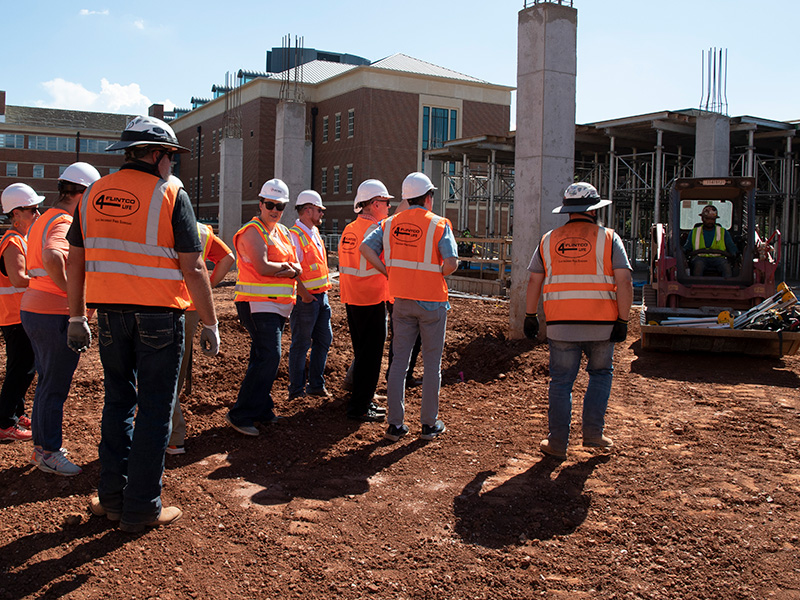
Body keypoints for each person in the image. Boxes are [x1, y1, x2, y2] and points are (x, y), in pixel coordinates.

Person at [66, 116, 219, 531]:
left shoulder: (93, 192)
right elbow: (194, 266)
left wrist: (77, 315)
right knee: (154, 412)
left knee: (118, 405)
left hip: (111, 317)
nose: (172, 164)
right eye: (170, 156)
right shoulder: (171, 192)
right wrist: (209, 322)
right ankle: (142, 509)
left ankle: (112, 501)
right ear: (156, 155)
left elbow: (75, 260)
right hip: (159, 318)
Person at [524, 182, 633, 460]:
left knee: (561, 382)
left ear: (567, 211)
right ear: (594, 211)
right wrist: (623, 319)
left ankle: (557, 443)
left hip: (561, 325)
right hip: (602, 324)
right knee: (600, 375)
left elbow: (534, 279)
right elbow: (624, 280)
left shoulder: (548, 239)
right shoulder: (609, 239)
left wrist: (530, 315)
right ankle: (593, 435)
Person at [361, 172, 459, 442]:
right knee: (431, 366)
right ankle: (428, 425)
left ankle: (395, 425)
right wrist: (436, 273)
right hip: (432, 303)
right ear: (428, 197)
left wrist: (388, 272)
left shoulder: (389, 223)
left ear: (406, 197)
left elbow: (365, 249)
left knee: (398, 364)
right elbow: (451, 263)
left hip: (401, 301)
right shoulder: (439, 224)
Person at [21, 163, 100, 474]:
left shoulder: (46, 218)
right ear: (81, 194)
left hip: (35, 309)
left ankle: (42, 448)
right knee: (54, 386)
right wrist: (75, 302)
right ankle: (50, 452)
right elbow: (54, 256)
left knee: (46, 382)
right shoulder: (65, 220)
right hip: (54, 313)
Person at [226, 178, 300, 437]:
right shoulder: (252, 231)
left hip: (276, 306)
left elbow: (293, 264)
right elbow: (262, 266)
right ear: (260, 203)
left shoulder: (282, 232)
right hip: (256, 304)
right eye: (270, 204)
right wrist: (288, 270)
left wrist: (288, 270)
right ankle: (241, 413)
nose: (275, 210)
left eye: (280, 206)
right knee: (270, 356)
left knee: (262, 356)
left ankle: (261, 406)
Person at [167, 223, 234, 455]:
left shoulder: (158, 221)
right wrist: (204, 288)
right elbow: (227, 258)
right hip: (190, 306)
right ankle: (172, 435)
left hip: (162, 303)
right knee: (176, 368)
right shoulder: (202, 231)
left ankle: (173, 436)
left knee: (164, 374)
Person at [339, 180, 393, 422]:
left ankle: (362, 399)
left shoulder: (350, 228)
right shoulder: (375, 231)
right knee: (370, 357)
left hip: (353, 298)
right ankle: (360, 406)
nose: (389, 207)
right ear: (374, 204)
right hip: (371, 298)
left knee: (362, 353)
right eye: (386, 202)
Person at [0, 184, 42, 441]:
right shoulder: (13, 241)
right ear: (16, 213)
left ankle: (16, 412)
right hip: (16, 316)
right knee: (22, 369)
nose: (37, 214)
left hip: (17, 314)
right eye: (32, 210)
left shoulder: (19, 239)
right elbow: (18, 279)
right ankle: (5, 423)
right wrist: (45, 276)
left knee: (22, 366)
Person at [287, 190, 333, 400]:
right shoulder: (295, 235)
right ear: (307, 210)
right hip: (306, 300)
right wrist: (304, 295)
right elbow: (291, 270)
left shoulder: (313, 233)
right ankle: (296, 391)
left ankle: (315, 385)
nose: (321, 214)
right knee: (301, 343)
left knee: (324, 339)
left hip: (321, 297)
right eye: (318, 210)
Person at [683, 204, 737, 277]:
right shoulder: (694, 232)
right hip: (700, 258)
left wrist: (735, 253)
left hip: (719, 258)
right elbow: (687, 247)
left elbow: (731, 246)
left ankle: (728, 287)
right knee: (698, 267)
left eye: (713, 219)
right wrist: (682, 252)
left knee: (726, 268)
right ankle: (697, 287)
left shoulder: (723, 232)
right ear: (702, 219)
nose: (710, 221)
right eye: (707, 219)